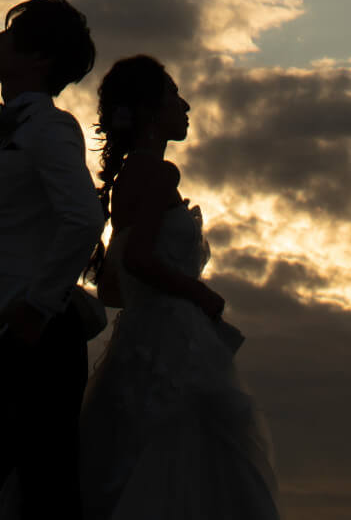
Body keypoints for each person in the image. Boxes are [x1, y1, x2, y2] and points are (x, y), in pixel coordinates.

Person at [79, 55, 282, 520]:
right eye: (174, 95)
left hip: (139, 338)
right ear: (150, 110)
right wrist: (198, 294)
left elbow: (112, 288)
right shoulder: (156, 173)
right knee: (194, 461)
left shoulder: (129, 177)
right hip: (173, 340)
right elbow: (137, 260)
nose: (185, 106)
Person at [0, 0, 105, 520]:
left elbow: (83, 217)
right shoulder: (1, 136)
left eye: (8, 35)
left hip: (32, 335)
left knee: (44, 494)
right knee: (14, 490)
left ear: (39, 58)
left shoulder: (50, 128)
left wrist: (37, 305)